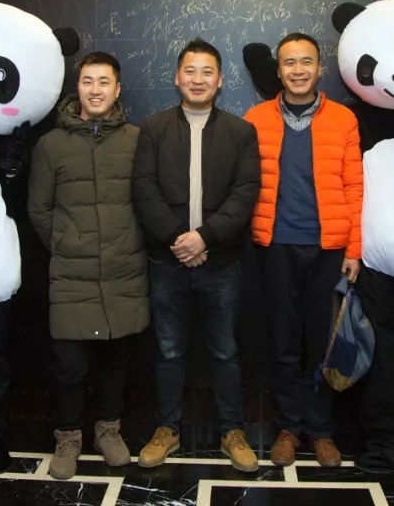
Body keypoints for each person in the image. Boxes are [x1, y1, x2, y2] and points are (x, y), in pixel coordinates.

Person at [132, 39, 262, 473]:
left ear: (220, 80)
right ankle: (166, 429)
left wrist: (204, 238)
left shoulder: (241, 132)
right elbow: (144, 190)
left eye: (207, 72)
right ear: (177, 77)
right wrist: (179, 240)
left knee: (225, 352)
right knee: (169, 351)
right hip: (167, 262)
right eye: (190, 70)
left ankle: (232, 432)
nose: (198, 79)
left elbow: (245, 193)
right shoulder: (153, 129)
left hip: (222, 263)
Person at [243, 32, 362, 468]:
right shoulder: (256, 119)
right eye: (289, 63)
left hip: (328, 248)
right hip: (274, 247)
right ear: (278, 71)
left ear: (319, 68)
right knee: (283, 343)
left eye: (306, 62)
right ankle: (289, 429)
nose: (298, 70)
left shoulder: (344, 119)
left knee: (322, 344)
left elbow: (354, 186)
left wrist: (354, 249)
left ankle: (321, 430)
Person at [28, 52, 149, 480]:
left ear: (117, 89)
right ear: (76, 88)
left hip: (124, 269)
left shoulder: (137, 140)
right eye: (87, 81)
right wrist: (66, 244)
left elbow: (148, 201)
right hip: (71, 274)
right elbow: (39, 209)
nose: (95, 90)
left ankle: (108, 432)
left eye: (104, 82)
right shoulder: (51, 145)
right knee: (70, 365)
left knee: (117, 359)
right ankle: (68, 438)